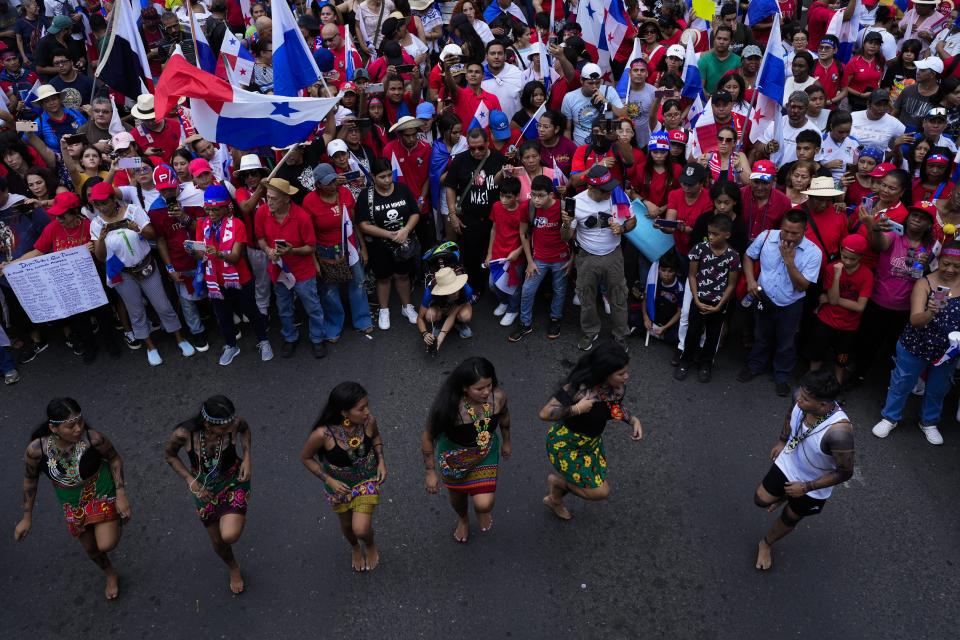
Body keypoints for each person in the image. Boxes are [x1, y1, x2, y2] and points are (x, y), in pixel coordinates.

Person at [15, 398, 131, 600]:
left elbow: (114, 459)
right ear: (53, 428)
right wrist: (26, 517)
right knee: (91, 549)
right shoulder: (36, 451)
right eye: (71, 426)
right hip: (70, 499)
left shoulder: (93, 439)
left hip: (100, 488)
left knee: (106, 544)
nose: (78, 429)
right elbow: (29, 481)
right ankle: (110, 574)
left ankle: (113, 514)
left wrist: (121, 494)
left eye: (80, 422)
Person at [753, 370, 855, 571]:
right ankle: (784, 495)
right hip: (790, 461)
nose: (799, 397)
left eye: (806, 398)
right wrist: (782, 440)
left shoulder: (839, 433)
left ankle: (766, 543)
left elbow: (845, 472)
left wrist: (806, 487)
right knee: (760, 500)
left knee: (790, 516)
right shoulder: (800, 397)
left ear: (823, 405)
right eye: (801, 393)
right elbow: (791, 412)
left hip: (813, 483)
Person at [88, 181, 195, 366]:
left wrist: (137, 228)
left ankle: (180, 338)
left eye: (104, 202)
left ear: (114, 199)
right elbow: (100, 256)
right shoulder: (96, 223)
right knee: (135, 312)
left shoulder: (133, 210)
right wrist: (102, 239)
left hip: (146, 266)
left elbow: (153, 235)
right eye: (97, 204)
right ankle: (150, 347)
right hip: (122, 274)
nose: (101, 207)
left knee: (163, 305)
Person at [539, 341, 644, 520]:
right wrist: (576, 409)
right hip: (565, 445)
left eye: (626, 371)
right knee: (600, 491)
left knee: (585, 482)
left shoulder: (617, 388)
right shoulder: (577, 389)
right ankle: (557, 483)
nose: (626, 376)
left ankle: (554, 499)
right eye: (621, 373)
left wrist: (632, 420)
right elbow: (545, 413)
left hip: (590, 444)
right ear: (604, 374)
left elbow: (612, 408)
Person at [163, 396, 252, 594]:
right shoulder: (183, 434)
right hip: (203, 488)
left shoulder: (234, 424)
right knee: (218, 542)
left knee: (228, 534)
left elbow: (245, 430)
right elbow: (169, 455)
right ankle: (233, 567)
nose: (230, 430)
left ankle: (235, 511)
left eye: (230, 425)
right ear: (207, 424)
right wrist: (189, 480)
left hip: (233, 481)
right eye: (223, 428)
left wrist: (247, 458)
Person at [422, 357, 512, 542]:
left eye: (490, 385)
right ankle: (463, 519)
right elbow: (428, 437)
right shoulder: (449, 409)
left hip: (485, 451)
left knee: (484, 503)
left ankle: (480, 511)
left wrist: (506, 442)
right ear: (464, 387)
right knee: (458, 494)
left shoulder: (499, 397)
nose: (487, 392)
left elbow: (504, 418)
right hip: (454, 456)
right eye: (480, 388)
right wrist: (430, 471)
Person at [300, 382, 386, 571]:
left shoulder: (369, 421)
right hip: (339, 487)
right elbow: (306, 458)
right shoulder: (322, 434)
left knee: (361, 528)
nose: (367, 411)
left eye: (367, 405)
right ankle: (355, 547)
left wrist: (381, 461)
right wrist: (329, 480)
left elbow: (377, 438)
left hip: (366, 480)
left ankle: (369, 544)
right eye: (361, 408)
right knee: (347, 526)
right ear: (344, 413)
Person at [739, 210, 823, 396]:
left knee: (786, 342)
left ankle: (782, 376)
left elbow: (802, 287)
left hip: (790, 303)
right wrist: (751, 281)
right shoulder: (766, 236)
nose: (789, 237)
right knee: (761, 334)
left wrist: (789, 262)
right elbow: (747, 256)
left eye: (795, 233)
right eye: (786, 231)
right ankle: (755, 366)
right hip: (764, 297)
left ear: (804, 231)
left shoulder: (813, 253)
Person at [195, 184, 274, 365]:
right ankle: (231, 345)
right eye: (208, 209)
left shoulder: (237, 224)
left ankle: (264, 341)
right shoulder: (202, 224)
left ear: (226, 208)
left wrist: (219, 253)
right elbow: (201, 254)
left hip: (241, 280)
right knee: (223, 317)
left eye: (215, 209)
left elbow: (236, 256)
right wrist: (194, 250)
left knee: (252, 312)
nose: (211, 213)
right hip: (215, 280)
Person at [563, 165, 637, 352]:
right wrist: (565, 224)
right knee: (586, 297)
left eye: (610, 187)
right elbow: (567, 236)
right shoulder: (576, 203)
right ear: (590, 188)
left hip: (613, 255)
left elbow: (632, 221)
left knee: (619, 296)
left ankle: (620, 334)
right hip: (586, 257)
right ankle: (590, 331)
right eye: (604, 190)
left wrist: (623, 228)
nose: (608, 193)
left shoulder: (618, 195)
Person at [254, 178, 328, 359]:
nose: (269, 202)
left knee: (312, 307)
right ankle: (290, 337)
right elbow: (260, 238)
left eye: (274, 199)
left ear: (287, 199)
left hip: (302, 272)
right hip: (279, 272)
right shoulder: (262, 212)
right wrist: (268, 250)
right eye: (268, 197)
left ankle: (317, 338)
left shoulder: (302, 217)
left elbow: (311, 247)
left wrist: (292, 250)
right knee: (284, 308)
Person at [305, 164, 374, 341]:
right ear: (318, 184)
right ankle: (334, 324)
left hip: (350, 246)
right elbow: (309, 235)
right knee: (329, 290)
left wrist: (363, 248)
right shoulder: (309, 201)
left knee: (358, 283)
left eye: (334, 180)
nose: (332, 185)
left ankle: (362, 319)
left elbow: (354, 221)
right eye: (327, 183)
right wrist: (314, 261)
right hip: (326, 251)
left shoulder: (345, 193)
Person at [356, 157, 420, 330]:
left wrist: (405, 230)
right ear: (372, 176)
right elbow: (362, 224)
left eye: (389, 175)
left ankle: (407, 306)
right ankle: (384, 310)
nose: (387, 180)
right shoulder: (366, 196)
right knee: (383, 278)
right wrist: (390, 235)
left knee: (403, 275)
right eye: (382, 177)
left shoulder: (402, 189)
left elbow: (415, 212)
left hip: (403, 243)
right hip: (379, 246)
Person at [676, 215, 740, 383]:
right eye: (709, 233)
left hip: (718, 303)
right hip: (699, 299)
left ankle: (706, 364)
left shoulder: (733, 256)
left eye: (715, 234)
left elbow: (731, 285)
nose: (711, 237)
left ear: (726, 234)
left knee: (712, 336)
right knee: (693, 331)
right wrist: (696, 299)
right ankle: (685, 360)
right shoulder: (699, 249)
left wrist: (720, 305)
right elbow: (692, 275)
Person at [442, 128, 506, 294]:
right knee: (471, 258)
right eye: (472, 148)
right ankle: (475, 290)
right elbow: (450, 187)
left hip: (494, 220)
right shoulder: (460, 160)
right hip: (470, 219)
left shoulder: (499, 159)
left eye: (480, 147)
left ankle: (496, 289)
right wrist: (452, 214)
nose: (476, 151)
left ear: (487, 143)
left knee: (494, 256)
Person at [805, 234, 872, 385]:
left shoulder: (866, 275)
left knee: (841, 361)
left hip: (848, 326)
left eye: (852, 259)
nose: (847, 262)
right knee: (816, 356)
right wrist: (836, 276)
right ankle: (809, 385)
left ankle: (837, 388)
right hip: (825, 321)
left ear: (860, 257)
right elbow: (834, 301)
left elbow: (859, 306)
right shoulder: (832, 269)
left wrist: (829, 299)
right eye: (844, 256)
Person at [511, 175, 569, 342]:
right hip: (539, 258)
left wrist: (571, 259)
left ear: (551, 194)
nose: (536, 199)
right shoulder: (527, 207)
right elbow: (523, 233)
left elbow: (573, 236)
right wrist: (529, 261)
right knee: (528, 289)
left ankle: (555, 319)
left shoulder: (562, 207)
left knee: (559, 290)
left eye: (541, 195)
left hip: (561, 257)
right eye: (533, 194)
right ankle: (525, 323)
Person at [484, 176, 528, 327]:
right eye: (501, 195)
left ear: (516, 196)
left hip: (515, 257)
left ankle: (513, 309)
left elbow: (528, 235)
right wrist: (489, 253)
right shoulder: (496, 206)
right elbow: (494, 229)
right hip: (497, 254)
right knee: (492, 284)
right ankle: (504, 302)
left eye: (508, 197)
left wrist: (519, 251)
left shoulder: (523, 209)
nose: (503, 200)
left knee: (514, 286)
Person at [561, 62, 626, 146]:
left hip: (605, 146)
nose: (594, 86)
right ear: (581, 80)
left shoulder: (609, 91)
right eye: (590, 83)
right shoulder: (570, 98)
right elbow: (567, 129)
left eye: (598, 83)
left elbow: (623, 115)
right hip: (581, 148)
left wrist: (607, 103)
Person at [417, 266, 474, 351]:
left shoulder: (467, 290)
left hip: (456, 308)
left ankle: (459, 323)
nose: (454, 293)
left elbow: (452, 315)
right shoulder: (429, 291)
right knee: (429, 315)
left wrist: (440, 338)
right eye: (450, 290)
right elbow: (420, 318)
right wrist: (424, 333)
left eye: (455, 288)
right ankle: (439, 322)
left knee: (465, 316)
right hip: (441, 307)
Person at [697, 25, 740, 97]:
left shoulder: (738, 61)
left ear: (731, 42)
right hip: (709, 101)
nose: (721, 42)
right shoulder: (704, 61)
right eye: (719, 38)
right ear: (714, 39)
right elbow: (701, 87)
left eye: (725, 39)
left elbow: (739, 87)